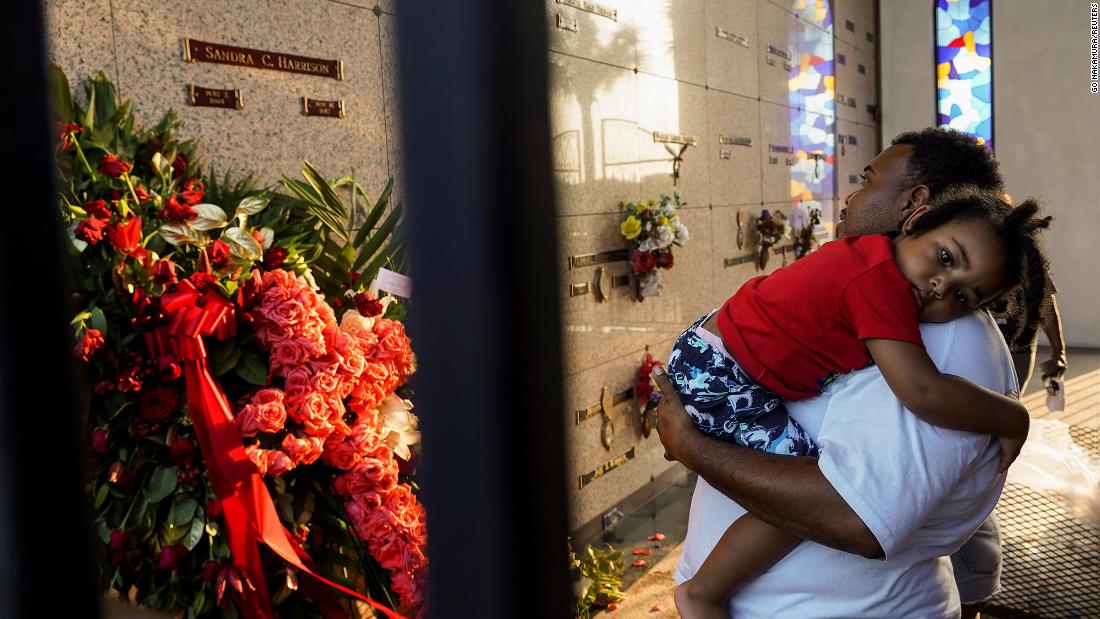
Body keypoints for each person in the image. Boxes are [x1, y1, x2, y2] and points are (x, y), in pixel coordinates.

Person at [657, 128, 1031, 617]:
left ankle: (705, 591)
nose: (852, 195)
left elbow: (850, 515)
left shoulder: (943, 331)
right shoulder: (878, 281)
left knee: (796, 461)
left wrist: (690, 448)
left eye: (868, 180)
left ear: (914, 202)